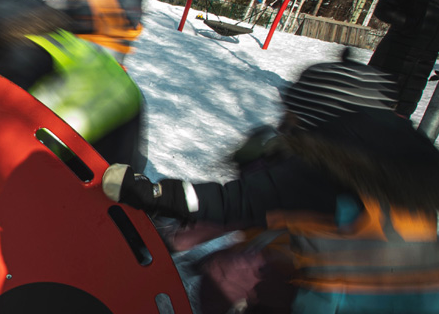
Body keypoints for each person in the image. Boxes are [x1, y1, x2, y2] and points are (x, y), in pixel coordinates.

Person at [102, 50, 439, 313]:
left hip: (346, 300)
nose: (284, 123)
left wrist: (152, 192)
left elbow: (234, 201)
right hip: (421, 299)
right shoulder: (399, 169)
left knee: (226, 275)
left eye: (291, 117)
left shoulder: (323, 169)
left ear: (314, 121)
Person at [0, 0, 146, 170]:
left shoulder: (22, 50)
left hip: (106, 122)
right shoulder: (25, 24)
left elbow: (7, 113)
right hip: (119, 105)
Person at [368, 0, 439, 117]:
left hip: (421, 68)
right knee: (370, 109)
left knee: (401, 116)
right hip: (393, 56)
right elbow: (383, 8)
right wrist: (409, 24)